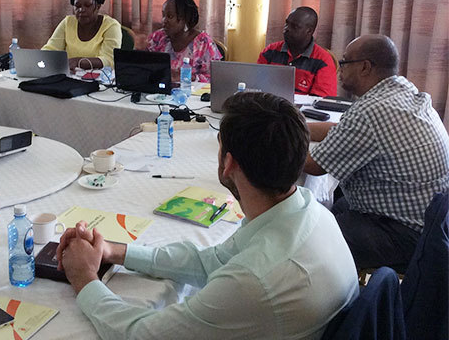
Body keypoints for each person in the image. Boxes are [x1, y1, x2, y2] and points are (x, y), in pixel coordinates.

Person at [57, 92, 359, 339]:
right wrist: (114, 251)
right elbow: (210, 262)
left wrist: (84, 279)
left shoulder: (253, 280)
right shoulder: (307, 209)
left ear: (228, 163)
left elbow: (142, 334)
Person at [305, 34, 449, 271]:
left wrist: (269, 141)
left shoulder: (371, 111)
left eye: (344, 62)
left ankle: (332, 299)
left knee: (310, 239)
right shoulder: (402, 90)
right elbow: (341, 130)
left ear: (364, 67)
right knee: (327, 207)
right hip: (430, 223)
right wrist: (296, 126)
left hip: (403, 234)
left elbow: (314, 165)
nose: (339, 69)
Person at [258, 6, 337, 97]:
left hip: (302, 110)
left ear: (309, 31)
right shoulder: (269, 51)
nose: (287, 29)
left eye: (295, 27)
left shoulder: (323, 60)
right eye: (286, 23)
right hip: (269, 107)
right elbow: (257, 86)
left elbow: (321, 101)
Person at [42, 0, 122, 71]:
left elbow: (109, 61)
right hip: (69, 77)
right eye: (77, 6)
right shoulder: (68, 22)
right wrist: (40, 58)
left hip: (99, 80)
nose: (81, 10)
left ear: (98, 6)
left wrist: (78, 62)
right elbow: (51, 49)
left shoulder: (111, 26)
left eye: (88, 5)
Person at [147, 0, 222, 82]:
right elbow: (144, 67)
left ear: (185, 19)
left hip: (191, 93)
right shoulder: (158, 37)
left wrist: (186, 77)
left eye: (170, 16)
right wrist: (140, 49)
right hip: (159, 92)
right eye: (163, 15)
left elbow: (215, 78)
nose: (164, 21)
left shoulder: (203, 43)